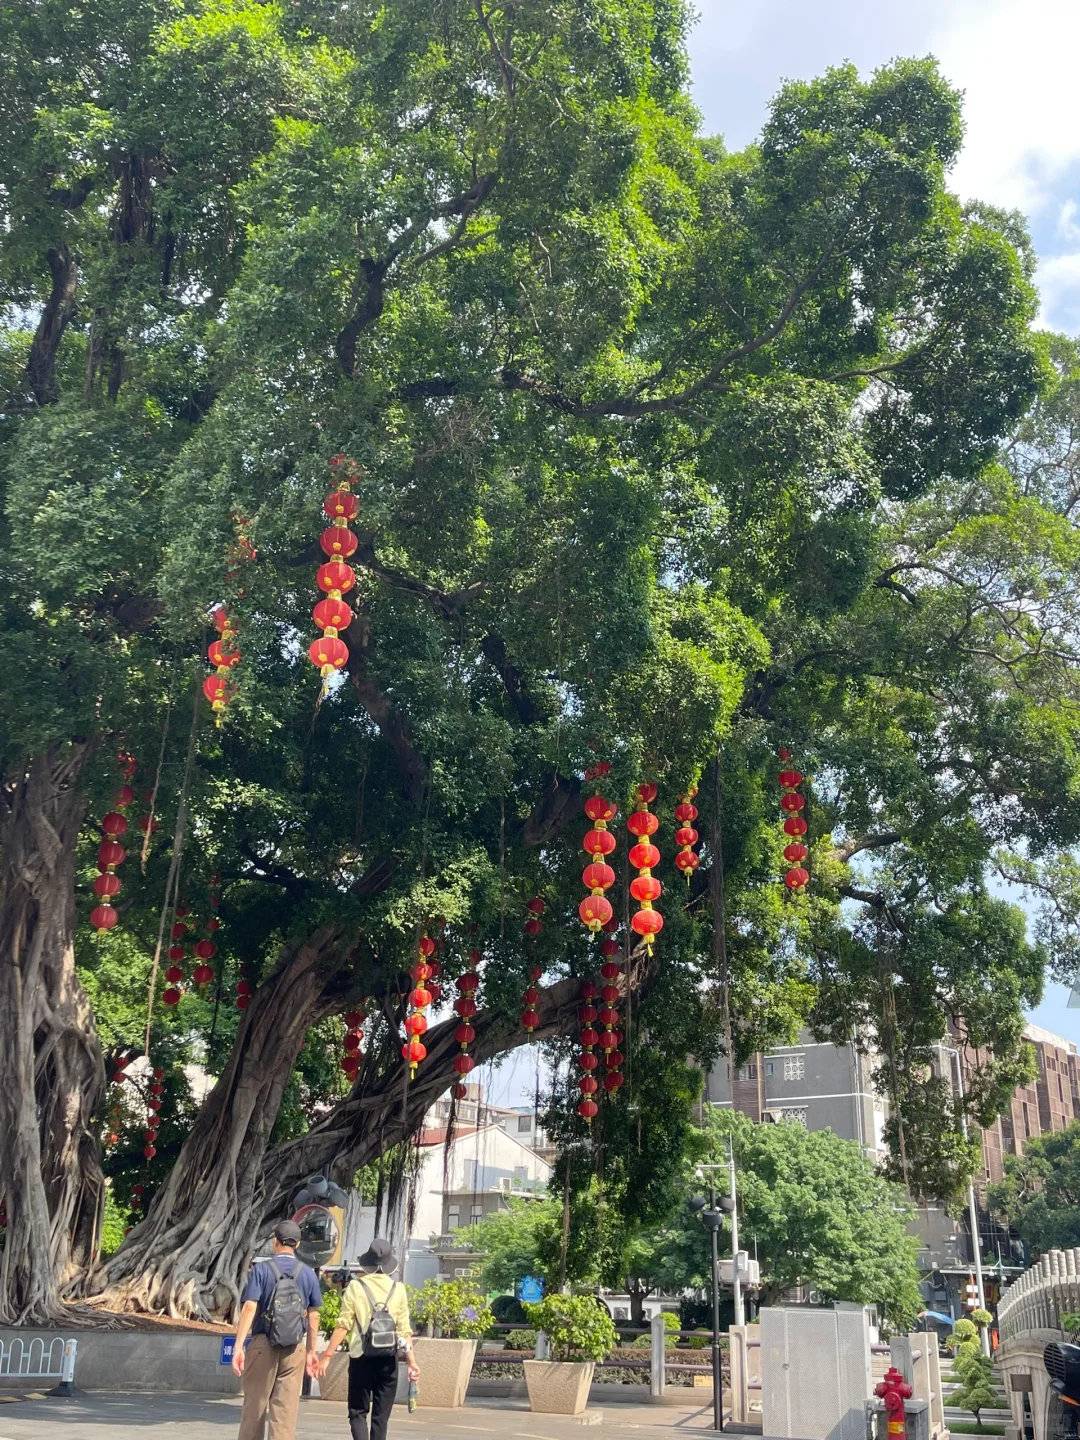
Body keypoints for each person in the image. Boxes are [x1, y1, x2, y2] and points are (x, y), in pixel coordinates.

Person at [318, 1237, 420, 1440]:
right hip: (389, 1358)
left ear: (369, 1263)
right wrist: (412, 1363)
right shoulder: (398, 1289)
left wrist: (327, 1356)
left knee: (357, 1411)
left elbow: (343, 1325)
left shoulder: (356, 1287)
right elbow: (404, 1330)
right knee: (380, 1418)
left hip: (361, 1357)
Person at [232, 1219, 323, 1440]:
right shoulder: (309, 1273)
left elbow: (250, 1307)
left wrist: (239, 1346)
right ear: (298, 1245)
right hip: (294, 1349)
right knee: (284, 1415)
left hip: (263, 1345)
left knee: (254, 1409)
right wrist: (311, 1351)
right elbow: (314, 1314)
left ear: (275, 1242)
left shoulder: (261, 1270)